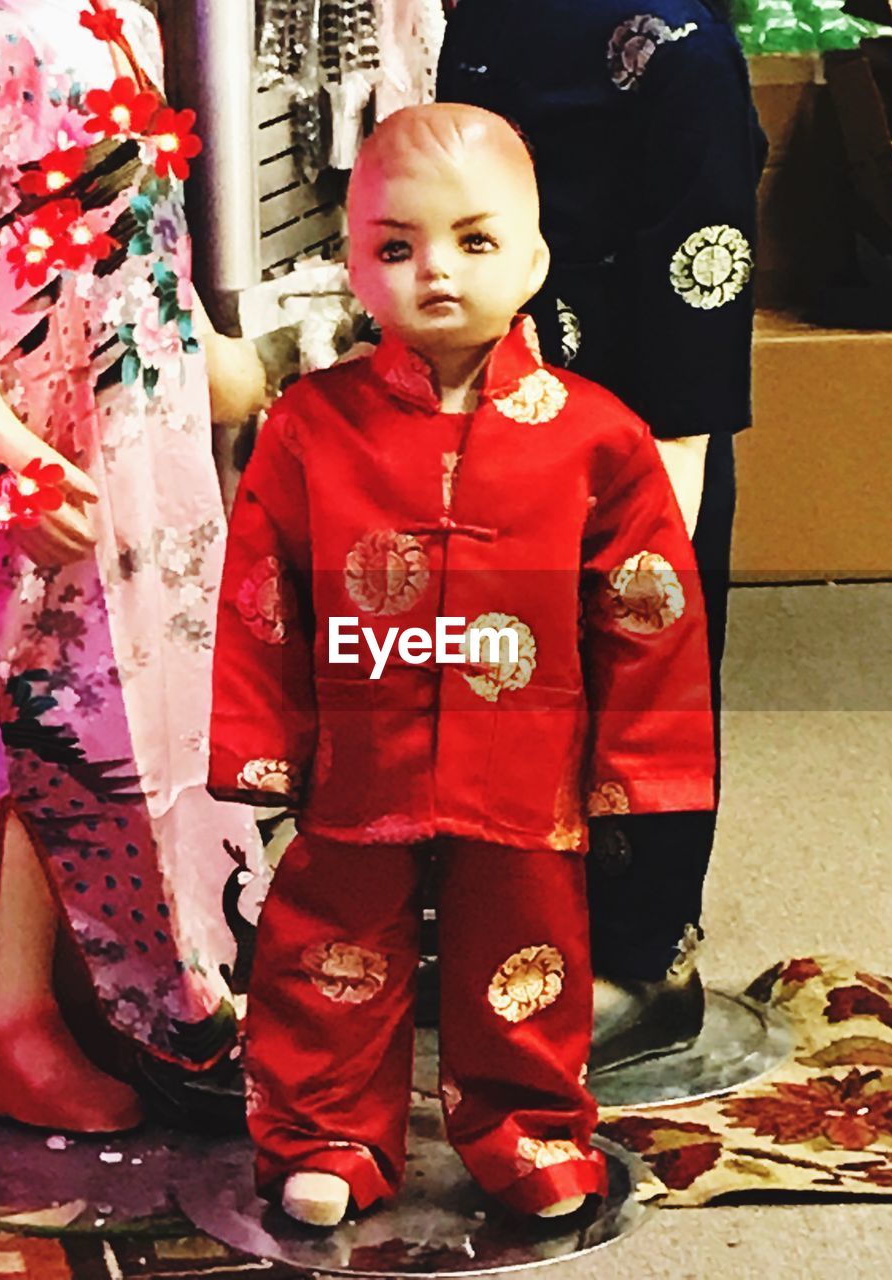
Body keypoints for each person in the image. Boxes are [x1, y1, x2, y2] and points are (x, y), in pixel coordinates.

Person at [208, 102, 715, 1227]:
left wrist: (635, 759)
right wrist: (261, 748)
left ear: (533, 258)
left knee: (526, 953)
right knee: (329, 951)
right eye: (396, 246)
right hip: (359, 753)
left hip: (525, 759)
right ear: (352, 263)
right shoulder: (306, 426)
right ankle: (328, 1129)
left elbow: (650, 610)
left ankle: (527, 1124)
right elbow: (261, 600)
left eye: (475, 241)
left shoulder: (596, 436)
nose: (435, 270)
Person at [0, 0, 266, 1133]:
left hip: (130, 418)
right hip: (23, 430)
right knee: (34, 718)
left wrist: (203, 356)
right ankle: (4, 1019)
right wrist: (2, 453)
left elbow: (136, 220)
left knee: (157, 704)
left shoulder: (119, 9)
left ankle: (145, 984)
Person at [437, 0, 768, 1064]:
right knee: (502, 675)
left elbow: (703, 270)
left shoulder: (680, 46)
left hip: (638, 416)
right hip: (498, 394)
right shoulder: (486, 15)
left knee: (639, 689)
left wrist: (665, 484)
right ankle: (507, 920)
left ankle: (645, 953)